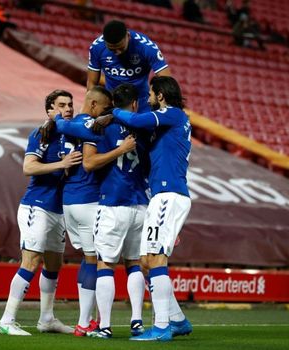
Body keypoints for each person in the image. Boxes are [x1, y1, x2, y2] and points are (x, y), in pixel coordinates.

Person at [102, 76, 193, 341]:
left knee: (156, 259)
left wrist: (112, 112)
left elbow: (135, 120)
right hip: (161, 197)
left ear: (161, 95)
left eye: (151, 94)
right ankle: (177, 320)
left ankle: (162, 327)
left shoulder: (174, 115)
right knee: (145, 262)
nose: (148, 98)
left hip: (169, 195)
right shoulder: (169, 122)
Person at [0, 90, 80, 336]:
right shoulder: (42, 134)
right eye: (61, 105)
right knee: (31, 261)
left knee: (54, 263)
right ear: (49, 110)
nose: (67, 108)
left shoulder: (73, 134)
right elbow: (28, 167)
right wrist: (61, 164)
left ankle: (46, 319)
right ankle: (6, 320)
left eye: (70, 104)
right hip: (37, 206)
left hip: (58, 210)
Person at [83, 84, 148, 339]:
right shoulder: (144, 128)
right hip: (140, 204)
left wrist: (118, 149)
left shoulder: (100, 126)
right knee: (133, 264)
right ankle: (137, 322)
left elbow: (88, 163)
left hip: (113, 204)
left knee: (105, 265)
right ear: (134, 105)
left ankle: (105, 326)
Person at [52, 86, 112, 336]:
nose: (107, 113)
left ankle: (89, 320)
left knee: (89, 259)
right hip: (88, 200)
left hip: (69, 202)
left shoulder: (70, 123)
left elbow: (62, 127)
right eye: (105, 108)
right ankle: (85, 322)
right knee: (98, 261)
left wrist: (54, 118)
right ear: (95, 105)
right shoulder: (91, 125)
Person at [87, 20, 171, 113]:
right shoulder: (97, 47)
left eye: (121, 48)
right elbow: (92, 83)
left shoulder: (146, 47)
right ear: (105, 42)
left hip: (141, 103)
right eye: (112, 50)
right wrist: (90, 110)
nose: (118, 52)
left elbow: (167, 81)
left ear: (128, 36)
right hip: (112, 103)